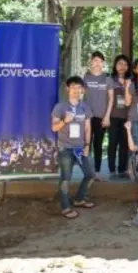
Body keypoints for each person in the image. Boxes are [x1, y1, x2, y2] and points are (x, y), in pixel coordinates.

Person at [51, 76, 97, 219]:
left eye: (79, 88)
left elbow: (88, 128)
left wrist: (88, 145)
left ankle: (79, 199)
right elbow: (54, 128)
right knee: (66, 178)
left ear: (82, 90)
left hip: (81, 148)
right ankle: (65, 207)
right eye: (73, 87)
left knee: (90, 174)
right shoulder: (60, 107)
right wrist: (65, 120)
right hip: (65, 148)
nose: (76, 90)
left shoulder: (85, 107)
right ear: (68, 89)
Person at [82, 51, 113, 178]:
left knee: (98, 144)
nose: (97, 63)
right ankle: (87, 171)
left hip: (101, 117)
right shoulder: (86, 77)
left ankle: (97, 172)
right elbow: (79, 94)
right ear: (91, 61)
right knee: (86, 143)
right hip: (87, 116)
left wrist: (107, 116)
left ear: (103, 63)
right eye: (95, 60)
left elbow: (111, 98)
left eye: (100, 61)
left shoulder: (107, 78)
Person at [108, 54, 132, 177]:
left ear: (128, 67)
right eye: (119, 64)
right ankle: (112, 170)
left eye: (125, 64)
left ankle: (122, 170)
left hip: (127, 117)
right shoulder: (110, 79)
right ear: (115, 66)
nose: (122, 66)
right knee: (112, 143)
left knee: (124, 144)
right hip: (113, 116)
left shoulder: (131, 81)